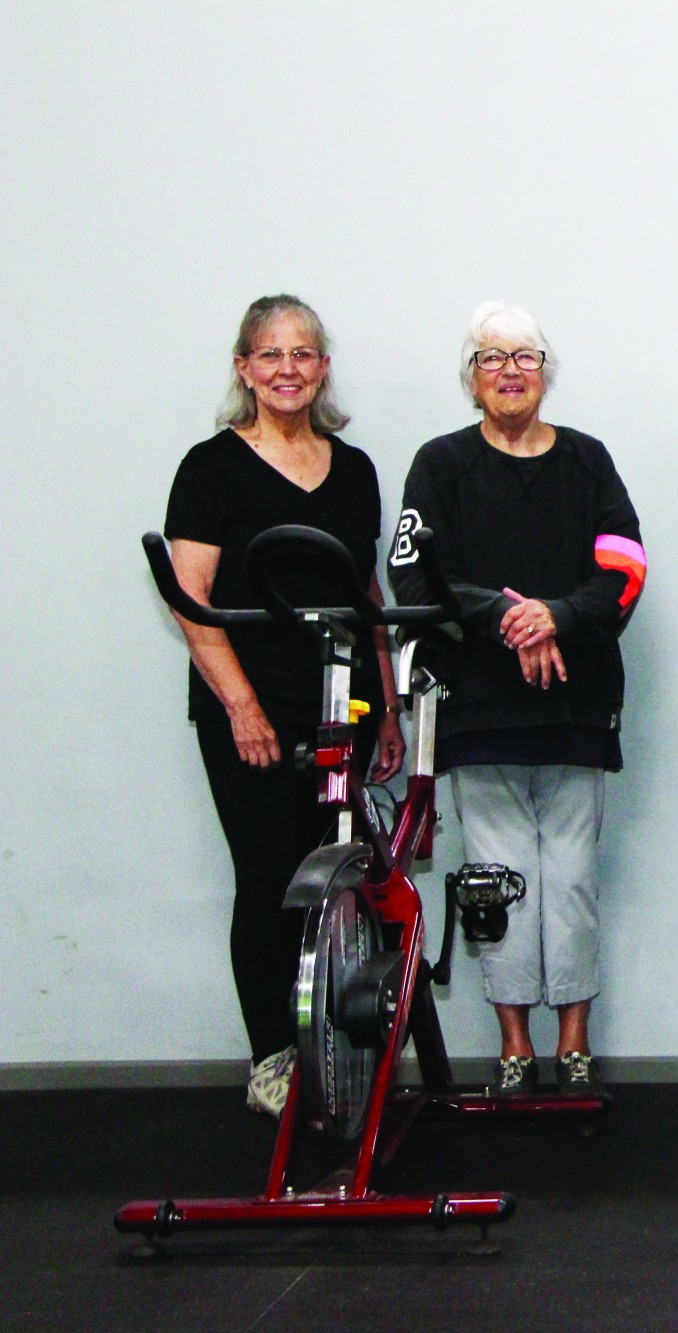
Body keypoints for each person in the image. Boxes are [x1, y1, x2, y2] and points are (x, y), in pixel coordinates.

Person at [390, 302, 646, 1097]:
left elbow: (625, 569)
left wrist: (557, 617)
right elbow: (413, 578)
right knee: (493, 877)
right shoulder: (439, 464)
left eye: (525, 356)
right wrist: (505, 616)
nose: (509, 370)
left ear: (546, 371)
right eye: (491, 357)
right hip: (478, 710)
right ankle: (511, 1044)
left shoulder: (589, 462)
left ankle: (573, 1040)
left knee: (570, 877)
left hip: (574, 707)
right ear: (470, 378)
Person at [163, 294, 405, 1117]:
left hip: (345, 700)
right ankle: (273, 1057)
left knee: (344, 884)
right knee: (271, 879)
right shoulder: (211, 467)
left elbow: (365, 591)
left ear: (323, 366)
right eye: (270, 355)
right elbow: (191, 600)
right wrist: (243, 706)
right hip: (252, 707)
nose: (288, 369)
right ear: (244, 368)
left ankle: (342, 1059)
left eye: (303, 354)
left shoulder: (356, 467)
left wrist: (392, 706)